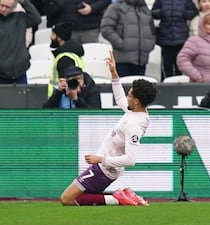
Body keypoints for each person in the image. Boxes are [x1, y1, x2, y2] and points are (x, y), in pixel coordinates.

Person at [60, 51, 158, 206]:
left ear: (137, 101)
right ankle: (121, 195)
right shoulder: (135, 111)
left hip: (105, 169)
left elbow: (130, 160)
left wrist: (100, 159)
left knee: (66, 199)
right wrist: (114, 73)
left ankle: (118, 199)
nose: (127, 97)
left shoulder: (135, 126)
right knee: (79, 197)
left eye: (130, 95)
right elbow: (119, 98)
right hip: (103, 167)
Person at [0, 0, 41, 84]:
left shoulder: (20, 18)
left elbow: (36, 19)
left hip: (20, 73)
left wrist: (24, 2)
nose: (3, 9)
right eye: (2, 5)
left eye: (7, 7)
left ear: (13, 8)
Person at [101, 0, 156, 77]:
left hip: (142, 60)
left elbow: (152, 30)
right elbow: (106, 29)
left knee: (138, 88)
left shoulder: (144, 8)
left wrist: (150, 44)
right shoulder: (116, 7)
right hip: (122, 60)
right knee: (123, 88)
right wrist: (121, 44)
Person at [151, 0, 198, 79]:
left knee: (180, 65)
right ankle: (166, 85)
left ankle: (179, 85)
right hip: (165, 38)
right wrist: (162, 12)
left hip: (181, 38)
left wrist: (183, 13)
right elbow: (153, 13)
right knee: (166, 65)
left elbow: (193, 12)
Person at [48, 22, 85, 97]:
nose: (50, 37)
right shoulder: (73, 53)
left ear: (60, 38)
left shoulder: (64, 59)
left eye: (53, 34)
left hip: (64, 103)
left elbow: (65, 86)